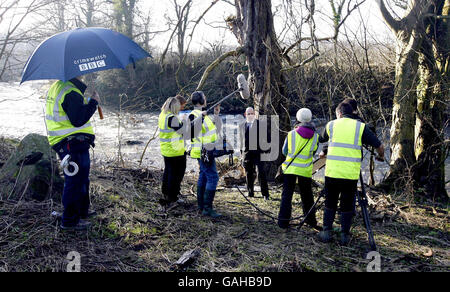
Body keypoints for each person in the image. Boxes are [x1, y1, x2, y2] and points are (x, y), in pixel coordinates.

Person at [317, 102, 385, 246]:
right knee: (347, 204)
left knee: (330, 202)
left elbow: (321, 138)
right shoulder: (361, 127)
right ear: (353, 113)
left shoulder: (331, 125)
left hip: (332, 172)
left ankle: (326, 232)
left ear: (339, 113)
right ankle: (344, 236)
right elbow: (379, 145)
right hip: (350, 174)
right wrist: (381, 156)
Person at [46, 77, 99, 231]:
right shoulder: (70, 91)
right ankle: (69, 221)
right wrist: (94, 103)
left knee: (81, 178)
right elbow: (78, 119)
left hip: (66, 141)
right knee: (75, 181)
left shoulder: (58, 86)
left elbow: (72, 113)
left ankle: (82, 211)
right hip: (71, 142)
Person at [278, 108, 321, 230]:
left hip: (290, 169)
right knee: (307, 196)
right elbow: (313, 153)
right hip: (305, 170)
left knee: (287, 196)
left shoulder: (291, 134)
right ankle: (311, 221)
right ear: (310, 119)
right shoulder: (316, 137)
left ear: (297, 119)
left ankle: (283, 222)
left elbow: (284, 151)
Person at [188, 91, 222, 218]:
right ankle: (207, 208)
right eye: (205, 98)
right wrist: (201, 117)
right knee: (213, 177)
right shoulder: (194, 115)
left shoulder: (204, 114)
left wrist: (216, 114)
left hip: (207, 150)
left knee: (203, 176)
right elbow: (191, 131)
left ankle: (201, 206)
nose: (206, 100)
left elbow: (214, 130)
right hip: (203, 152)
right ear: (201, 100)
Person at [159, 96, 187, 208]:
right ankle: (173, 197)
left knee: (168, 173)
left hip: (166, 150)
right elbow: (184, 132)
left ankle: (166, 193)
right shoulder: (172, 118)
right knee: (176, 175)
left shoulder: (162, 115)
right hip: (176, 151)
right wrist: (185, 120)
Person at [239, 107, 270, 200]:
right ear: (245, 115)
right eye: (248, 114)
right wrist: (241, 155)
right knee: (249, 173)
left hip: (259, 153)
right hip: (247, 153)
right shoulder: (242, 125)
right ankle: (250, 193)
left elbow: (268, 139)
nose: (250, 115)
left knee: (261, 172)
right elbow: (241, 141)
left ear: (254, 114)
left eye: (252, 113)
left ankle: (265, 194)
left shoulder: (261, 125)